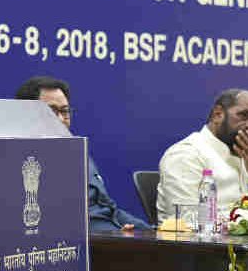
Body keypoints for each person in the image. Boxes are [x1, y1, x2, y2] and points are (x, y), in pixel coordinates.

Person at [15, 76, 151, 231]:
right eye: (51, 111)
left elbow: (109, 208)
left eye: (65, 111)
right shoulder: (24, 163)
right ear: (27, 114)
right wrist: (114, 234)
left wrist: (147, 231)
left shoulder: (77, 151)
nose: (61, 119)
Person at [156, 88, 248, 221]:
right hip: (199, 243)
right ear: (218, 114)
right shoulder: (186, 154)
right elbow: (186, 220)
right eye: (244, 115)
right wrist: (245, 221)